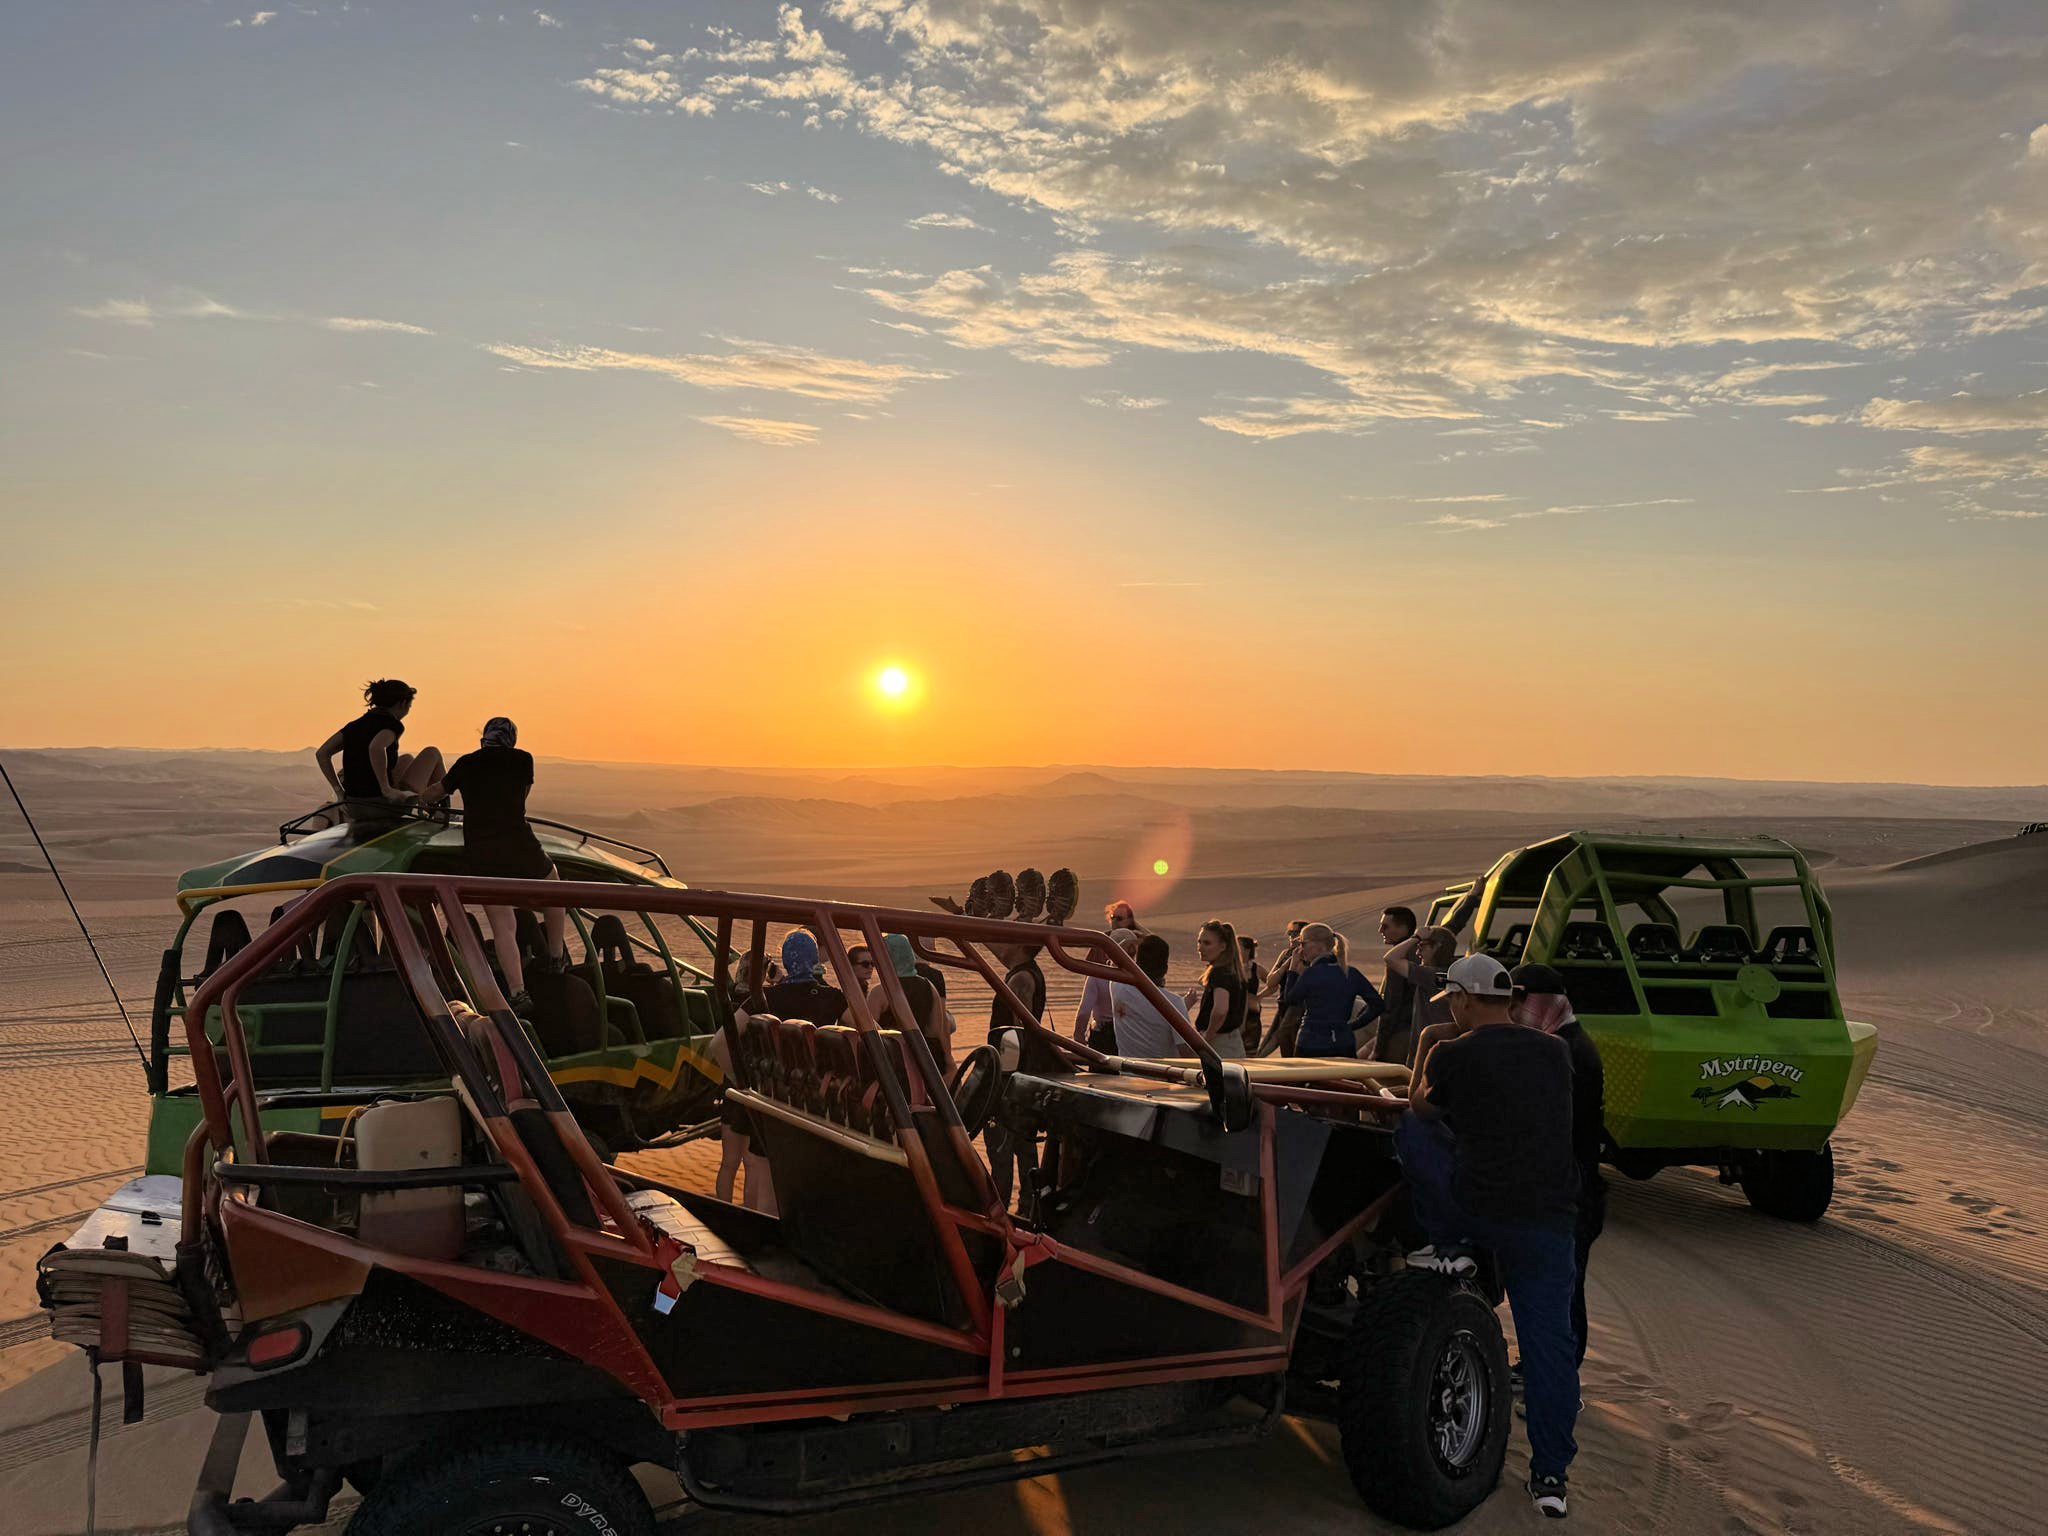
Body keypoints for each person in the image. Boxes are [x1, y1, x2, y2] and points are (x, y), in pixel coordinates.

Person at [1397, 953, 1580, 1518]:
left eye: (1452, 998)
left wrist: (1430, 1045)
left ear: (1464, 1000)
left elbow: (1420, 1104)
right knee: (1550, 1350)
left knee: (1410, 1132)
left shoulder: (1455, 1050)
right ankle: (1550, 1478)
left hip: (1483, 1210)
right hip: (1551, 1215)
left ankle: (1448, 1244)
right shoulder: (1556, 1050)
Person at [430, 718, 560, 1012]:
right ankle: (555, 955)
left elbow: (437, 793)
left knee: (503, 926)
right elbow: (520, 799)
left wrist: (413, 797)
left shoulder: (467, 763)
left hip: (482, 852)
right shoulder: (522, 760)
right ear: (511, 738)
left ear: (484, 737)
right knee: (555, 889)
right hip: (520, 845)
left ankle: (517, 991)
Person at [1513, 962, 1606, 1370]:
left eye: (1519, 1000)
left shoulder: (1565, 1050)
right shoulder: (1561, 1041)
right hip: (1568, 1187)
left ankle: (1559, 1373)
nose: (1514, 1010)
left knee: (1563, 1288)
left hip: (1572, 1191)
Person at [315, 679, 445, 822]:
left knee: (406, 758)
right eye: (409, 705)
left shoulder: (354, 726)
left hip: (354, 807)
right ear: (402, 703)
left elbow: (322, 753)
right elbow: (376, 747)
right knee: (432, 753)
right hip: (384, 807)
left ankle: (435, 809)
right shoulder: (392, 725)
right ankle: (441, 812)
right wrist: (386, 790)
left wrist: (339, 792)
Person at [1276, 922, 1383, 1057]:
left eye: (1303, 944)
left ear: (1319, 946)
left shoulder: (1311, 974)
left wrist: (1292, 970)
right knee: (1342, 1078)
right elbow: (1378, 1005)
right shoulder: (1350, 973)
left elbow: (1291, 999)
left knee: (1306, 1077)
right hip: (1343, 1042)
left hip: (1310, 1042)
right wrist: (1352, 1025)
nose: (1301, 949)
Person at [1390, 924, 1461, 1073]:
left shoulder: (1429, 975)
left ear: (1438, 946)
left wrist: (1415, 937)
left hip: (1428, 1051)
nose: (1417, 952)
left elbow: (1391, 958)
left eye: (1422, 946)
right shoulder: (1456, 972)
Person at [877, 933, 951, 1068]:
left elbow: (867, 1030)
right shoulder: (929, 986)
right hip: (923, 1058)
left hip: (892, 1061)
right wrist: (947, 1057)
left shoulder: (881, 991)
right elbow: (936, 1030)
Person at [1110, 933, 1188, 1058]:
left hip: (1128, 1073)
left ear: (1137, 963)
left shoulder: (1118, 987)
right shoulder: (1174, 1003)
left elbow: (1115, 961)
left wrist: (1129, 941)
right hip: (1162, 1075)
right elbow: (1186, 1050)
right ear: (1165, 968)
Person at [1183, 919, 1248, 1057]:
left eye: (1207, 943)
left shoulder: (1219, 973)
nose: (1200, 947)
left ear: (1223, 946)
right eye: (1199, 942)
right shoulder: (1232, 971)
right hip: (1231, 1040)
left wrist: (1208, 1036)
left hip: (1220, 1043)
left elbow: (1220, 1011)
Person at [1366, 906, 1420, 1066]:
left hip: (1401, 1034)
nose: (1380, 930)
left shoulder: (1398, 960)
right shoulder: (1420, 952)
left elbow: (1391, 1006)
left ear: (1403, 928)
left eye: (1385, 926)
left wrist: (1378, 1048)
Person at [761, 931, 849, 1026]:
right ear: (815, 959)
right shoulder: (834, 997)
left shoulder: (764, 995)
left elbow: (742, 1024)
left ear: (785, 960)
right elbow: (858, 1030)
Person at [1072, 927, 1140, 1046]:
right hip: (1131, 1035)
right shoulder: (1142, 977)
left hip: (1103, 1035)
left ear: (1108, 951)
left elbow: (1084, 1012)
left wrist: (1078, 1038)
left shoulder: (1097, 976)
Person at [1256, 919, 1311, 1055]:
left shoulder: (1311, 956)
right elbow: (1271, 981)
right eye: (1290, 933)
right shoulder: (1286, 954)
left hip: (1301, 1008)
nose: (1292, 937)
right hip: (1283, 1006)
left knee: (1289, 1044)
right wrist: (1288, 963)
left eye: (1296, 933)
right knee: (1268, 1046)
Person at [1238, 935, 1266, 1054]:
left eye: (1238, 947)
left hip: (1252, 1017)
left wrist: (1259, 996)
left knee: (1250, 1053)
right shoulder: (1231, 967)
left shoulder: (1256, 969)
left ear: (1247, 950)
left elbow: (1274, 983)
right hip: (1234, 1015)